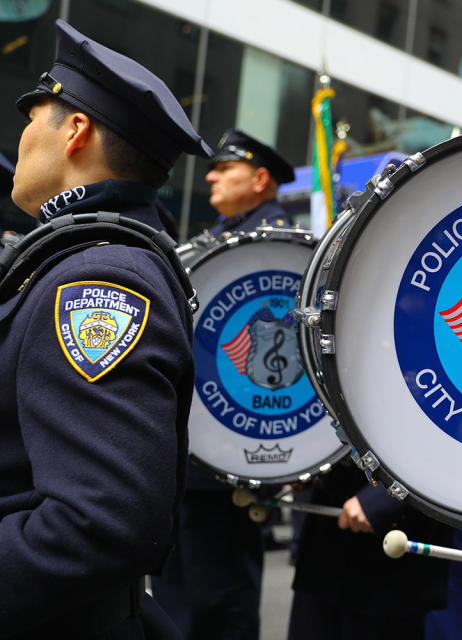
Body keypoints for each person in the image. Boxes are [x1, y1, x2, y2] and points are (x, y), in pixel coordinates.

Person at [0, 18, 211, 638]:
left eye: (32, 117)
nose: (21, 136)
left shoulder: (97, 284)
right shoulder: (75, 261)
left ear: (75, 130)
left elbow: (101, 521)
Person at [149, 128, 295, 640]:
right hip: (197, 449)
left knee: (218, 600)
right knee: (181, 596)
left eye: (223, 169)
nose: (210, 175)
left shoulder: (277, 246)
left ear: (259, 180)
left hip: (234, 454)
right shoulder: (225, 238)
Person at [287, 459, 452, 640]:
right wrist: (310, 467)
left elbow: (450, 442)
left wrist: (383, 497)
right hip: (324, 538)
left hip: (390, 551)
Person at [203, 128, 295, 235]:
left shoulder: (276, 239)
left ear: (260, 180)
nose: (210, 177)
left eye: (225, 168)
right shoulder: (217, 233)